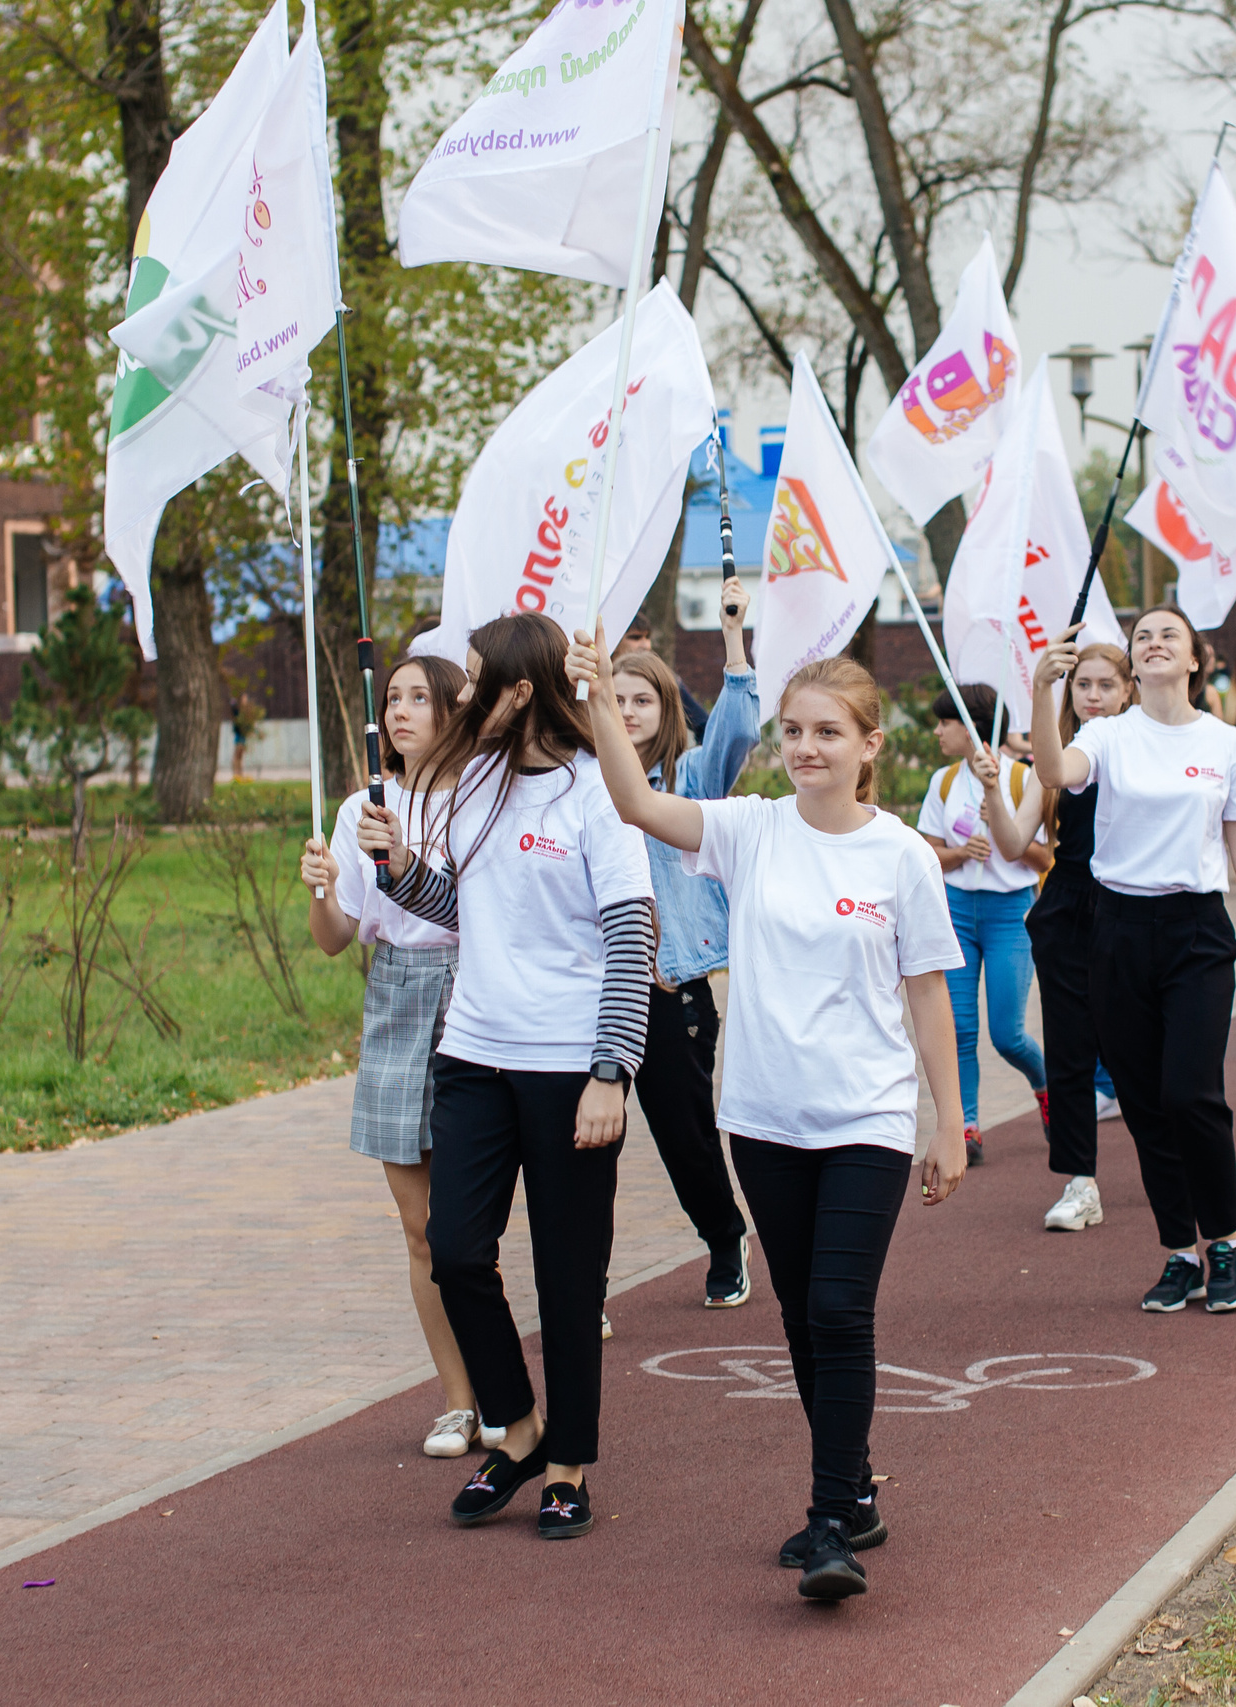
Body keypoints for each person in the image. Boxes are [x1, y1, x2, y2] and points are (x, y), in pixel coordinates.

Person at [570, 640, 968, 1602]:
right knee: (800, 1317)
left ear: (870, 744)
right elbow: (637, 804)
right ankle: (856, 1487)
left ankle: (831, 1516)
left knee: (839, 1309)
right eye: (793, 731)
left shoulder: (903, 855)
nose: (805, 747)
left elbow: (926, 997)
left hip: (867, 1118)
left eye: (828, 732)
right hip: (762, 1116)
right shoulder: (750, 829)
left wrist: (947, 1120)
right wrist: (592, 701)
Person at [357, 613, 655, 1543]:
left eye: (474, 677)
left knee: (569, 1278)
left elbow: (630, 933)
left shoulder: (596, 795)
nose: (457, 692)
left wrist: (612, 1070)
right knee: (455, 1251)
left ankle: (567, 1463)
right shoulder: (475, 785)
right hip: (474, 1056)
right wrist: (397, 865)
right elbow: (458, 908)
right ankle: (517, 1428)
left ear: (518, 693)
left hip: (571, 1067)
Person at [1031, 607, 1236, 1315]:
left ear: (1195, 659)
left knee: (1192, 1093)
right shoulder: (1106, 734)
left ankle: (1223, 1241)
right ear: (1134, 663)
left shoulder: (1228, 745)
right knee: (1144, 1104)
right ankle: (1178, 1252)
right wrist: (1042, 691)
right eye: (1143, 636)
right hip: (1116, 929)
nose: (1154, 642)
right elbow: (1053, 767)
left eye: (1169, 635)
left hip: (1197, 933)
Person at [297, 652, 485, 1460]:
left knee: (469, 1229)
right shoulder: (360, 807)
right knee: (421, 1228)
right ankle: (458, 1399)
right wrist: (320, 888)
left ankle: (505, 1385)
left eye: (420, 695)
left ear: (453, 708)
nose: (401, 710)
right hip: (399, 998)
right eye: (394, 696)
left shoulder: (484, 798)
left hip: (478, 994)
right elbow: (338, 939)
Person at [610, 578, 760, 1308]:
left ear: (665, 709)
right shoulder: (584, 783)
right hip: (595, 988)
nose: (628, 711)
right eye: (616, 699)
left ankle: (723, 1233)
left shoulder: (692, 776)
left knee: (685, 1135)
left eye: (642, 699)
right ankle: (585, 1276)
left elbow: (736, 730)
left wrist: (732, 637)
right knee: (583, 1142)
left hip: (673, 986)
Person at [916, 682, 1049, 1165]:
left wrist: (1001, 823)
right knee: (962, 1029)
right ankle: (967, 1126)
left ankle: (1044, 1084)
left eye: (945, 722)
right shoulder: (944, 782)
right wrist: (957, 852)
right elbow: (926, 852)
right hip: (955, 913)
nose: (937, 731)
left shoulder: (1021, 779)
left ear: (973, 726)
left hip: (1010, 912)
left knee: (1007, 1033)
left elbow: (1044, 859)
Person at [1027, 643, 1135, 1232]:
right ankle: (1080, 1182)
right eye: (1082, 685)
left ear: (1127, 691)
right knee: (1068, 1053)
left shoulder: (1146, 751)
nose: (1092, 696)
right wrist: (994, 792)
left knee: (1139, 1049)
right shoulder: (1059, 761)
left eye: (1104, 685)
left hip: (1131, 907)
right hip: (1067, 909)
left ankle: (1171, 1163)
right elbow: (1018, 837)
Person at [614, 609, 710, 738]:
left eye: (647, 637)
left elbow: (704, 725)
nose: (646, 645)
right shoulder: (590, 681)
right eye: (635, 637)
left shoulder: (662, 679)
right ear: (615, 639)